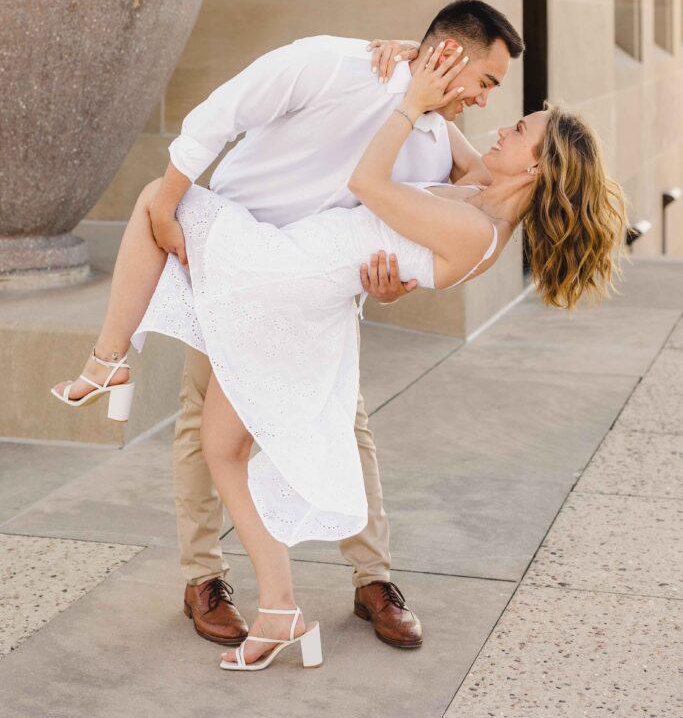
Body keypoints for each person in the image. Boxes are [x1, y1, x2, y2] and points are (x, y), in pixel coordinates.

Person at [50, 39, 626, 672]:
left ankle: (108, 362)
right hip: (298, 288)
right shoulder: (483, 201)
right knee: (223, 448)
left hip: (280, 278)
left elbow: (366, 183)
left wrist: (410, 101)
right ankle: (280, 609)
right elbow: (450, 141)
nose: (497, 122)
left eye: (518, 129)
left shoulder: (475, 228)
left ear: (539, 168)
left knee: (161, 197)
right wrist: (412, 61)